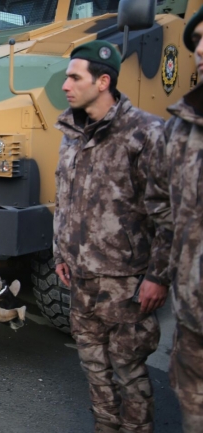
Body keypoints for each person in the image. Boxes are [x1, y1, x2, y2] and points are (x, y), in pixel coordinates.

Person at [53, 41, 170, 433]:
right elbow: (64, 199)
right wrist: (60, 253)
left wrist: (158, 276)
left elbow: (167, 212)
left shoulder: (146, 133)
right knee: (94, 370)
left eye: (74, 77)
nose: (65, 85)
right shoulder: (71, 133)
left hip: (127, 283)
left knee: (128, 372)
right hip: (82, 280)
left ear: (103, 81)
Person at [155, 7, 203, 432]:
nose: (199, 49)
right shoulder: (180, 129)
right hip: (192, 320)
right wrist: (157, 275)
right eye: (197, 39)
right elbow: (165, 214)